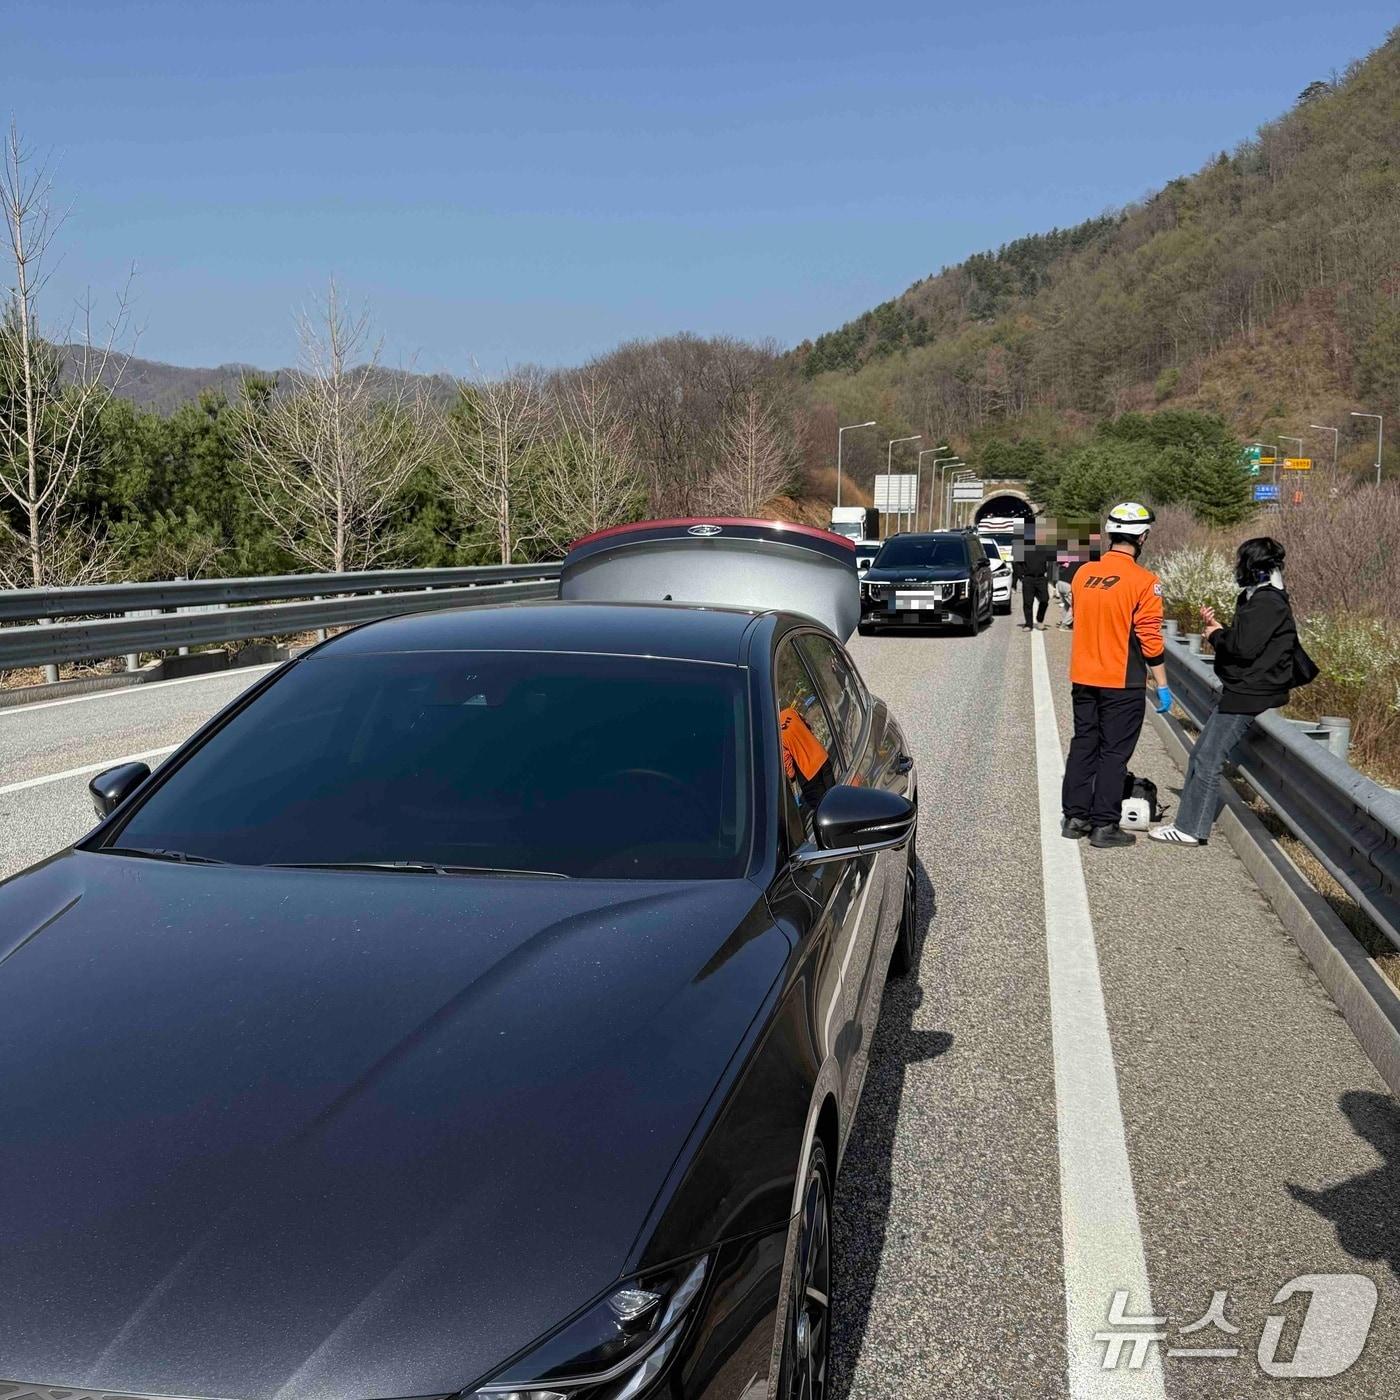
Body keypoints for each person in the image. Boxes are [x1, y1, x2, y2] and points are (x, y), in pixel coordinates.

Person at [1151, 537, 1307, 847]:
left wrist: (1215, 634)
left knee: (1209, 756)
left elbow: (1243, 648)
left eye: (1242, 563)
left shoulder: (1267, 602)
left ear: (1254, 567)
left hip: (1249, 692)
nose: (1238, 569)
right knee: (1201, 753)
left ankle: (1191, 829)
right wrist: (1218, 628)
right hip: (1245, 689)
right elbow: (1248, 639)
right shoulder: (1260, 598)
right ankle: (1188, 823)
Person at [1061, 501, 1171, 849]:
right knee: (1113, 753)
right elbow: (1150, 637)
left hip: (1084, 675)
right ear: (1142, 536)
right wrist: (1163, 684)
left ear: (1110, 533)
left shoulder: (1083, 574)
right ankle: (1104, 825)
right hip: (1121, 679)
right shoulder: (1144, 581)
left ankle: (1075, 817)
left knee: (1083, 745)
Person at [1014, 520, 1053, 631]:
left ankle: (1040, 619)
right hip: (1028, 578)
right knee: (1028, 602)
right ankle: (1028, 624)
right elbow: (1017, 563)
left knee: (1045, 600)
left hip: (1041, 578)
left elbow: (1052, 562)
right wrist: (1020, 576)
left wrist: (1049, 575)